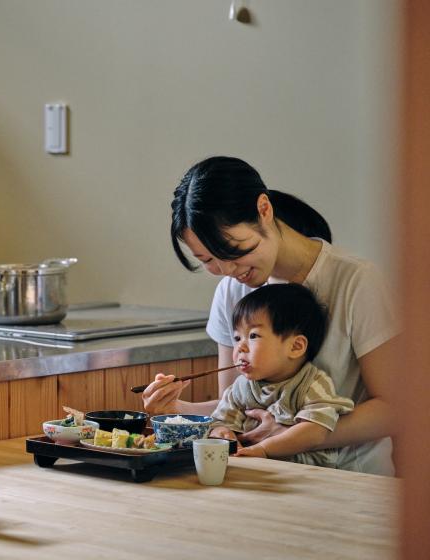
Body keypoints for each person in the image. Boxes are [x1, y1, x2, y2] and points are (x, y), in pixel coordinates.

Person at [142, 156, 397, 475]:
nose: (228, 271)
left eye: (234, 251)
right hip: (266, 478)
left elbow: (397, 407)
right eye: (208, 260)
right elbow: (242, 406)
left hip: (353, 482)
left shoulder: (356, 282)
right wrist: (179, 411)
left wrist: (295, 434)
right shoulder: (231, 292)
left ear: (264, 209)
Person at [208, 283, 354, 467]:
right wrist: (224, 435)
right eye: (237, 338)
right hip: (255, 471)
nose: (240, 347)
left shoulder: (312, 383)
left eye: (253, 336)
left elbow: (316, 431)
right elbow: (220, 422)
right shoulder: (240, 387)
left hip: (307, 477)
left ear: (296, 347)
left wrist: (264, 450)